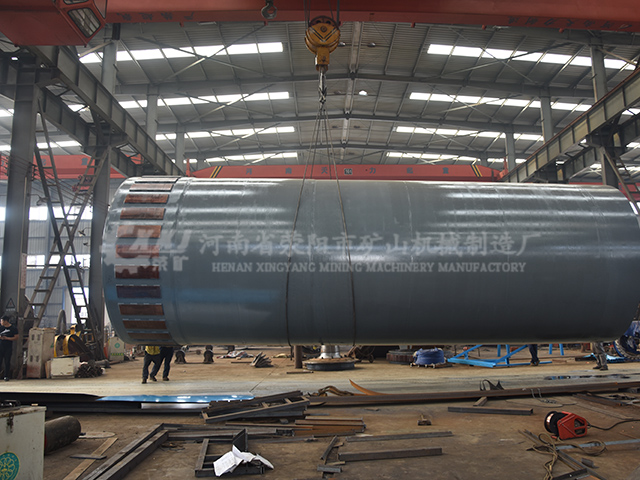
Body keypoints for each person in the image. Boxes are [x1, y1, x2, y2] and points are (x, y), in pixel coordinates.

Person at [0, 315, 18, 381]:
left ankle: (6, 376)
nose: (1, 322)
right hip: (1, 347)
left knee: (7, 362)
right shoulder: (1, 328)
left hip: (8, 347)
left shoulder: (13, 328)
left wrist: (7, 338)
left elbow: (16, 337)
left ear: (6, 321)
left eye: (1, 321)